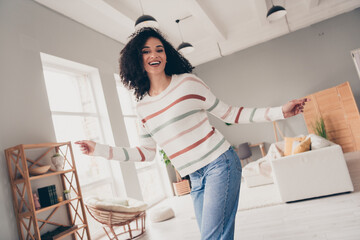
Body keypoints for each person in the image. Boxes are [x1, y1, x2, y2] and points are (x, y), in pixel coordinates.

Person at [75, 27, 307, 240]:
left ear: (166, 55)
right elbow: (146, 153)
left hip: (220, 164)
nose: (154, 55)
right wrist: (100, 150)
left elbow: (229, 113)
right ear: (138, 59)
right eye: (146, 51)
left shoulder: (188, 83)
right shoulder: (142, 107)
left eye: (159, 50)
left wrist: (280, 112)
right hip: (194, 178)